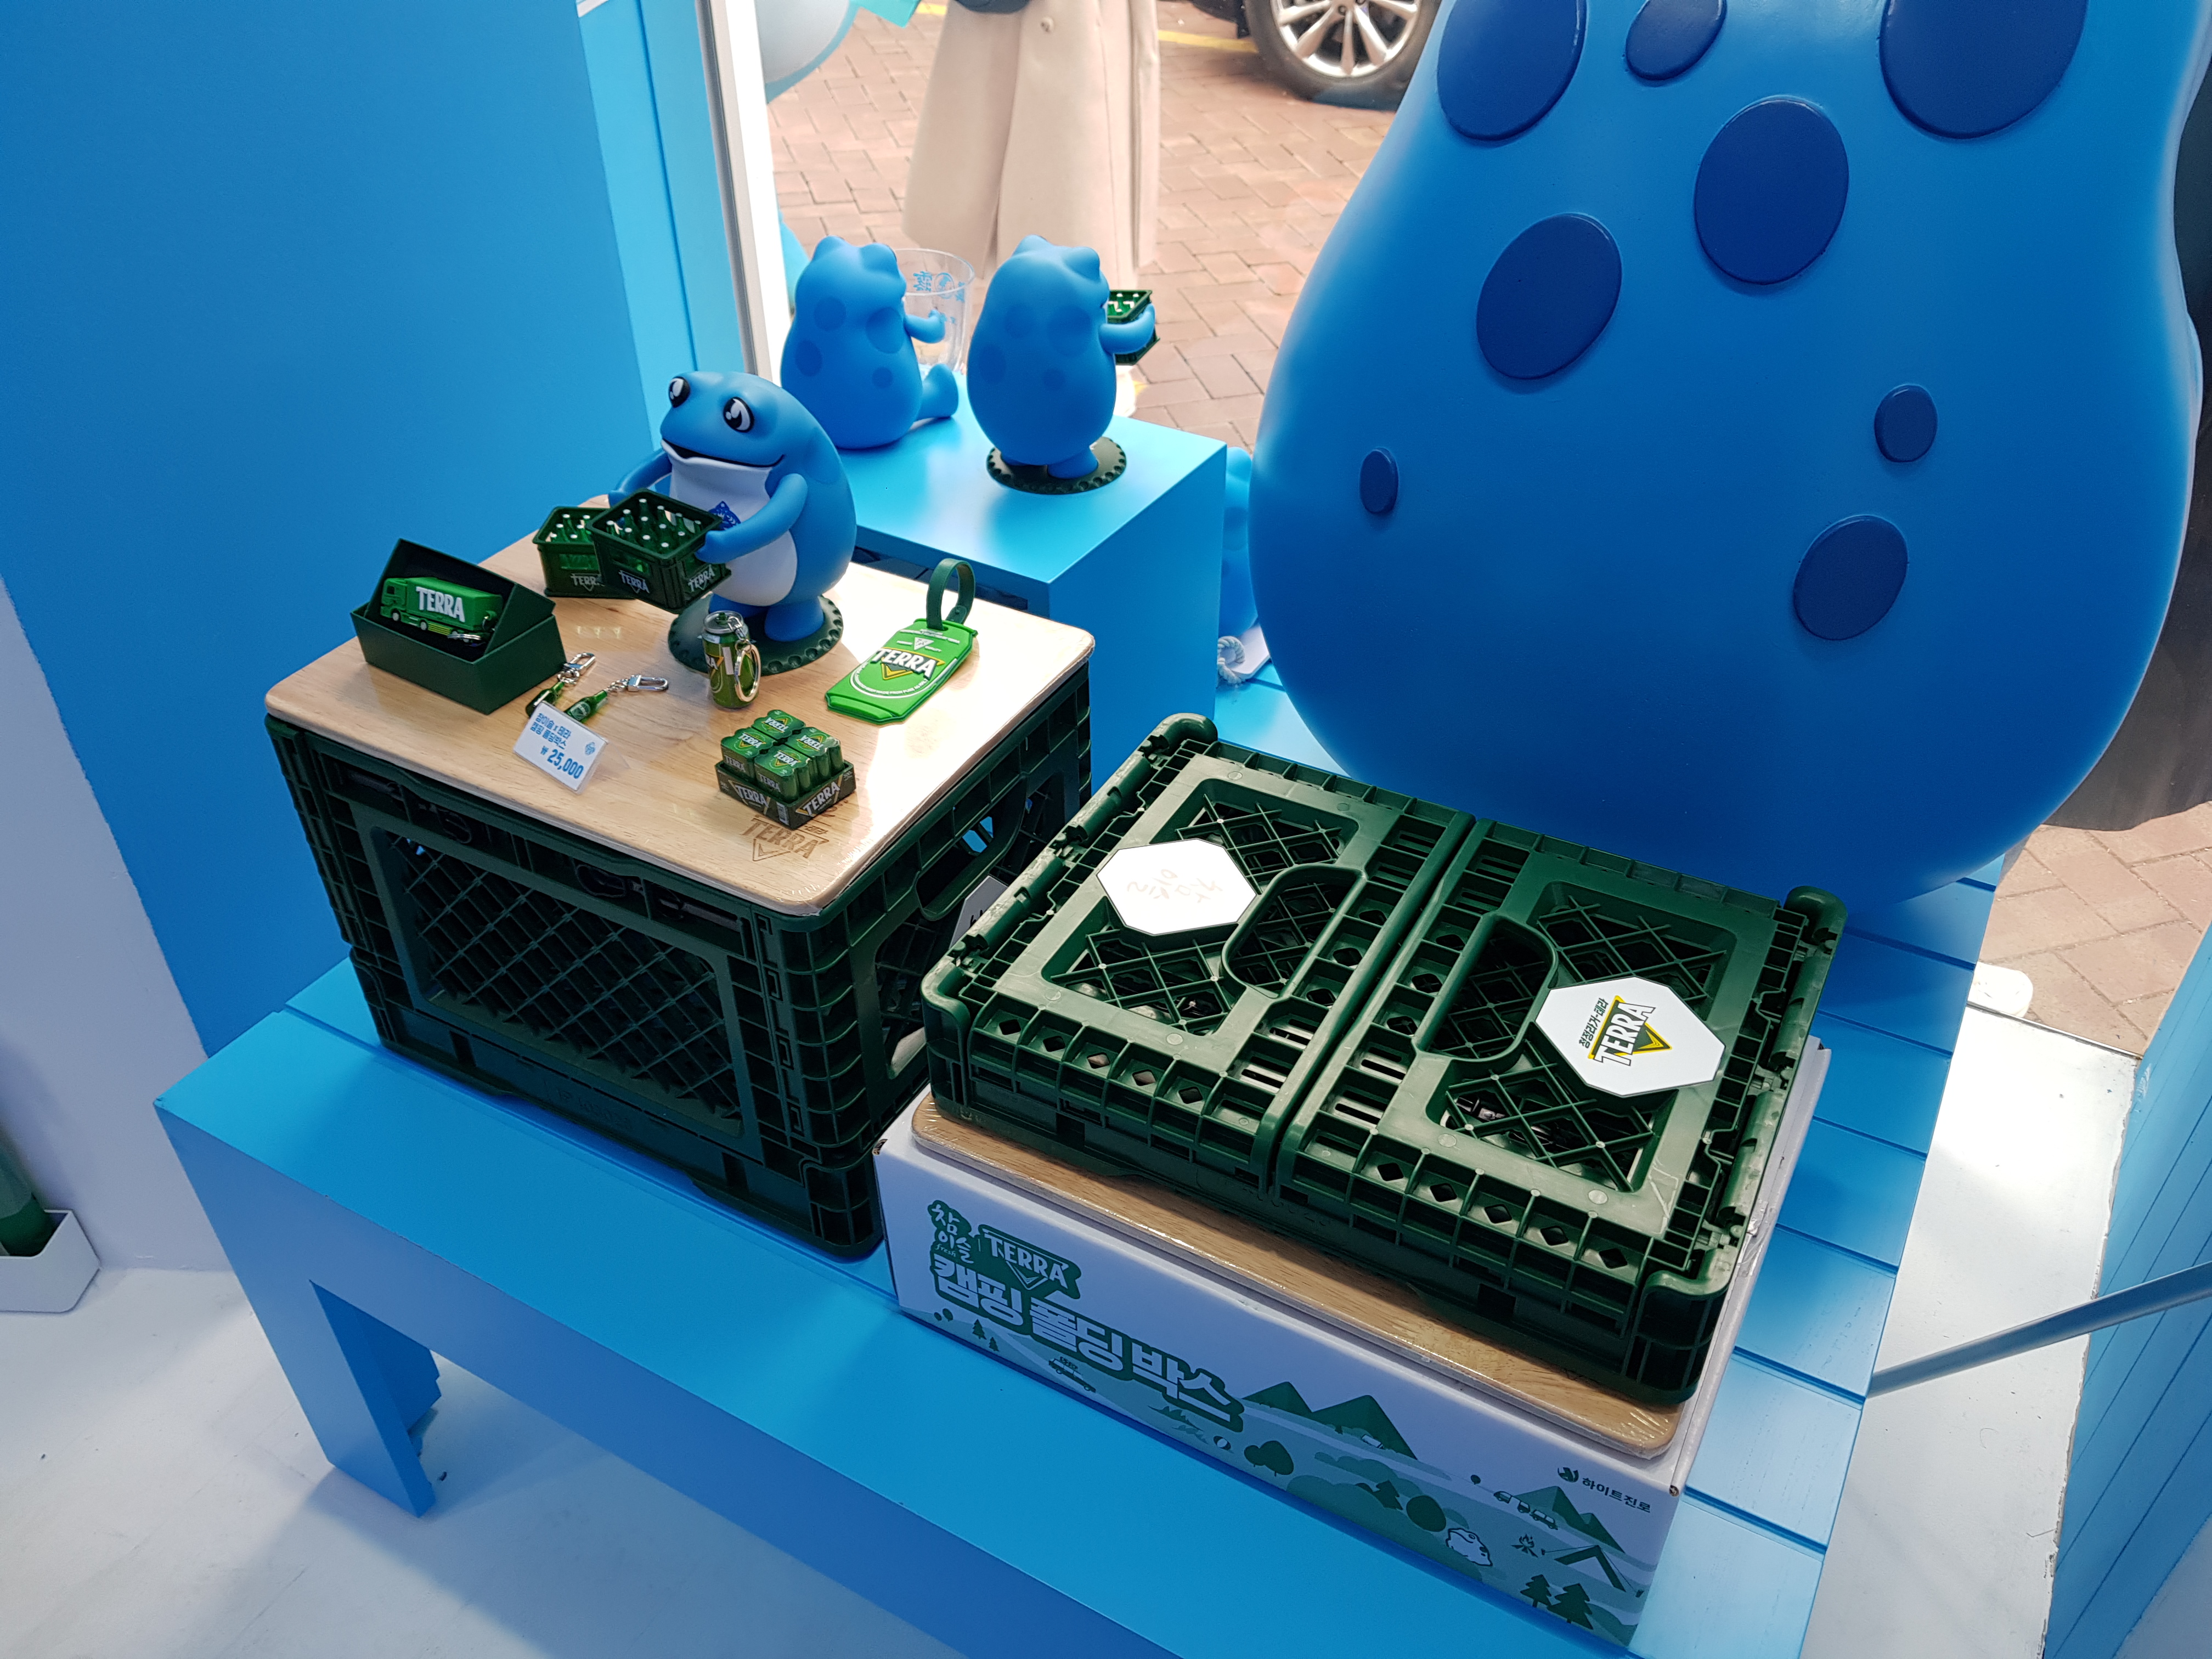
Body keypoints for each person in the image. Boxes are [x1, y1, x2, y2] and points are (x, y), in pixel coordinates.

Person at [902, 0, 1159, 284]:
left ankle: (1112, 312)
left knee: (1089, 240)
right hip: (999, 33)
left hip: (1077, 36)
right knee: (961, 235)